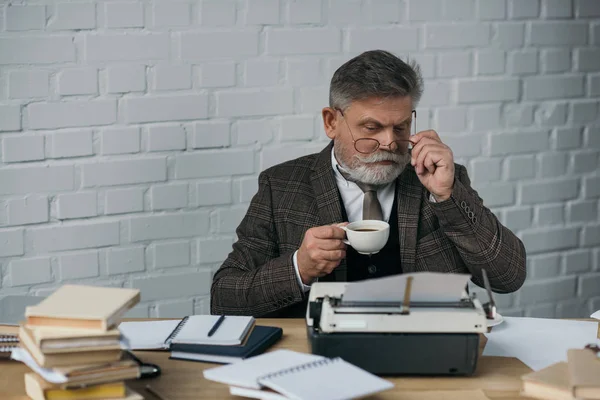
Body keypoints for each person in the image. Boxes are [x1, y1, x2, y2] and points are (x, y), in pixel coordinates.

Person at [211, 50, 526, 317]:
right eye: (371, 127)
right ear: (331, 122)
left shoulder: (440, 178)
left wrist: (447, 196)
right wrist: (299, 268)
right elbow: (224, 297)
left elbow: (508, 277)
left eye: (400, 126)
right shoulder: (280, 185)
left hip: (426, 352)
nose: (389, 142)